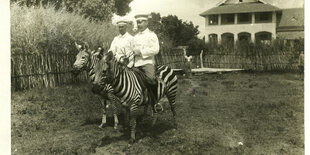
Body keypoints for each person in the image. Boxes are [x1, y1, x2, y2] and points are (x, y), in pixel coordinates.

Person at [132, 13, 159, 85]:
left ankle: (154, 96)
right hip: (136, 64)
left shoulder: (152, 35)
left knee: (150, 79)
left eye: (140, 22)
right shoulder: (135, 37)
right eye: (137, 23)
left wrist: (141, 52)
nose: (138, 25)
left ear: (146, 23)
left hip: (147, 63)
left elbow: (156, 49)